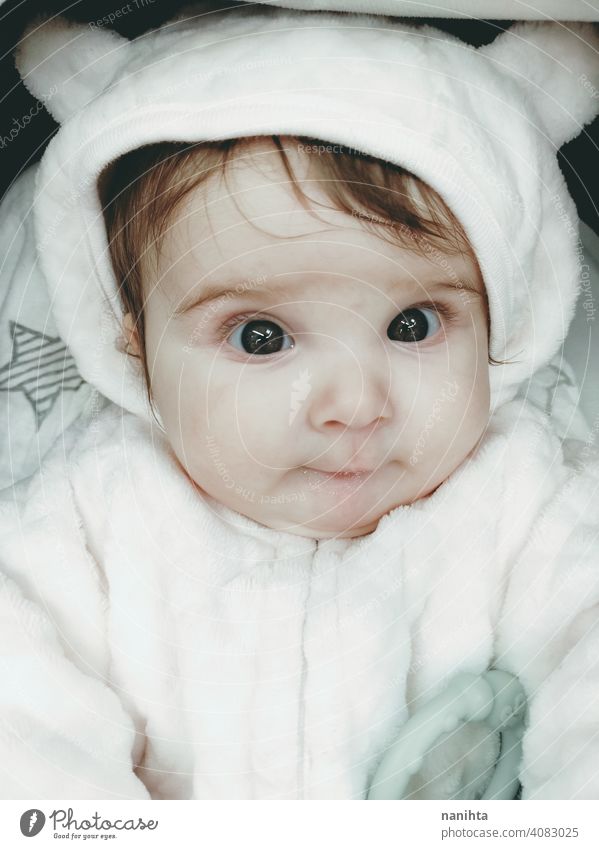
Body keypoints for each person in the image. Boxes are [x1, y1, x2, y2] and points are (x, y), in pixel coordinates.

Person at [1, 3, 598, 799]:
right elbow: (23, 730)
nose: (353, 405)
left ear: (503, 319)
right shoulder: (86, 524)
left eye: (412, 324)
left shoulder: (528, 506)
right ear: (135, 345)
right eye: (260, 337)